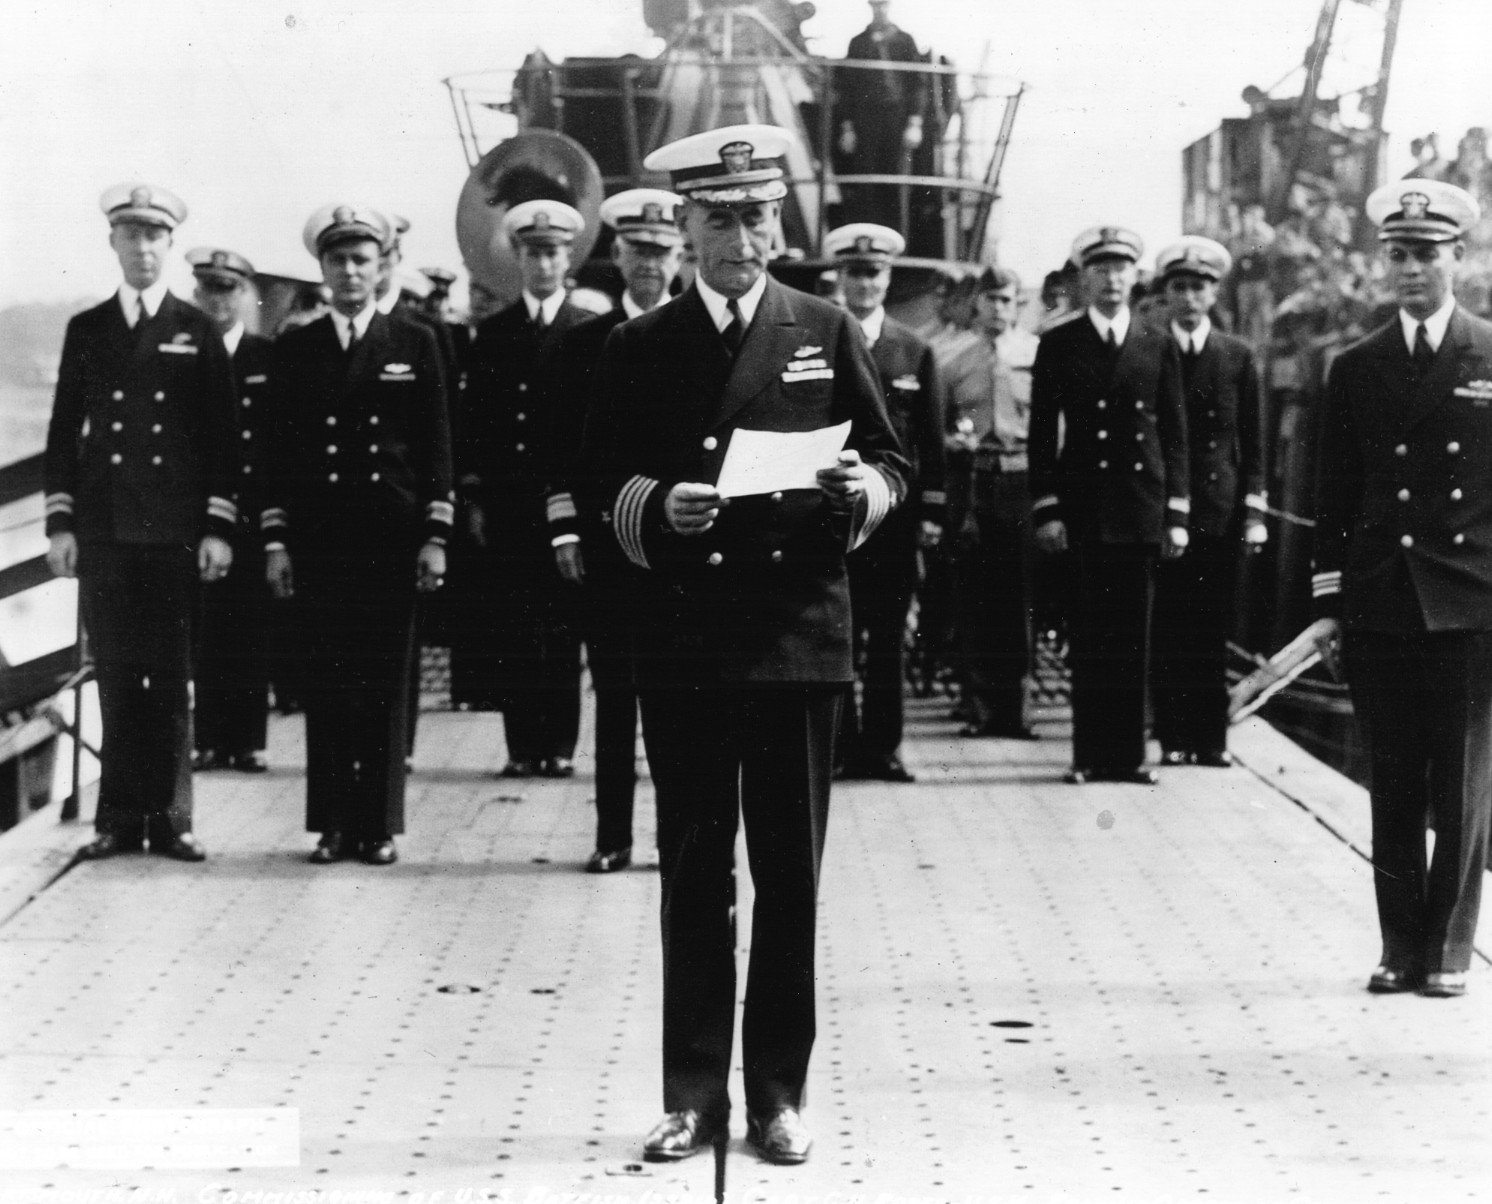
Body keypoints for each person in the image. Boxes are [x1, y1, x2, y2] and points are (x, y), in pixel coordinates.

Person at [580, 124, 906, 1166]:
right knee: (692, 874)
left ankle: (775, 1095)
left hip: (797, 641)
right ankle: (690, 1097)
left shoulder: (821, 326)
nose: (744, 235)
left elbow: (893, 457)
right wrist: (654, 506)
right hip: (686, 646)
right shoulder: (637, 346)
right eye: (720, 217)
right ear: (683, 226)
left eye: (760, 214)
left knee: (789, 879)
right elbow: (599, 486)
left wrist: (867, 492)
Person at [1312, 180, 1492, 999]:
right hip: (1383, 597)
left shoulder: (1489, 355)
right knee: (1393, 780)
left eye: (1426, 254)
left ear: (1459, 257)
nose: (1411, 269)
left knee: (1460, 785)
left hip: (1466, 600)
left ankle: (1449, 950)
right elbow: (1334, 501)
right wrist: (1327, 606)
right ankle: (1396, 946)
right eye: (1398, 255)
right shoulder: (1355, 367)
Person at [44, 183, 238, 861]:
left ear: (169, 245)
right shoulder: (88, 330)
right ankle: (118, 820)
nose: (143, 248)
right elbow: (65, 431)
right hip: (105, 532)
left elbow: (224, 439)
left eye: (154, 237)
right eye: (131, 236)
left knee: (171, 674)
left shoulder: (197, 330)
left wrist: (218, 527)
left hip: (176, 533)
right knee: (119, 675)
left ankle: (173, 818)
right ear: (114, 244)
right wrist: (60, 524)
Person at [260, 204, 454, 866]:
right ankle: (332, 825)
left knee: (382, 685)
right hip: (321, 540)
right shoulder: (297, 349)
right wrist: (277, 541)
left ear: (381, 267)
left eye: (361, 260)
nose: (349, 271)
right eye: (338, 260)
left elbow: (437, 450)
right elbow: (278, 459)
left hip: (390, 539)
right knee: (328, 684)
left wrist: (435, 534)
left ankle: (377, 826)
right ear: (323, 270)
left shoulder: (415, 342)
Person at [540, 188, 687, 872]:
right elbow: (560, 446)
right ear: (617, 255)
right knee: (615, 696)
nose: (648, 265)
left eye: (661, 252)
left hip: (686, 546)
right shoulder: (583, 344)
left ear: (679, 255)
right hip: (607, 543)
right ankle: (612, 836)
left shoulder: (700, 337)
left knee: (680, 698)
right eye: (637, 251)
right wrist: (565, 530)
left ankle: (677, 835)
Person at [1028, 225, 1190, 785]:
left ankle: (1128, 758)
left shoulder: (1156, 341)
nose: (1112, 279)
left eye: (1121, 269)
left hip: (1141, 509)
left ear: (1134, 276)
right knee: (1091, 636)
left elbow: (1174, 434)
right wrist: (1047, 508)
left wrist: (1178, 513)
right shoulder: (1060, 342)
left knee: (1136, 636)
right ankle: (1088, 756)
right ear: (1084, 278)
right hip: (1085, 508)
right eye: (1100, 270)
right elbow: (1042, 434)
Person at [459, 200, 589, 777]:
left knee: (561, 624)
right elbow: (477, 421)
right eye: (533, 253)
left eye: (552, 253)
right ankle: (520, 747)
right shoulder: (493, 332)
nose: (543, 264)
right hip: (511, 500)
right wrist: (476, 496)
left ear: (568, 257)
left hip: (564, 501)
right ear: (518, 258)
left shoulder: (587, 330)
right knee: (513, 622)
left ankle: (557, 747)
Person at [824, 222, 943, 781]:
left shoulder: (913, 350)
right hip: (837, 516)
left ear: (888, 278)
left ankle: (885, 749)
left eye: (873, 274)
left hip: (894, 518)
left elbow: (930, 438)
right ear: (839, 277)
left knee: (888, 639)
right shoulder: (819, 338)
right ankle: (840, 746)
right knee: (838, 636)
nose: (864, 283)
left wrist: (934, 513)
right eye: (854, 273)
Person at [1150, 237, 1267, 768]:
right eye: (1180, 288)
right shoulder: (1149, 348)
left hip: (1219, 510)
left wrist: (1256, 512)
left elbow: (1253, 439)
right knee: (1170, 624)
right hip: (1164, 509)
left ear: (1213, 293)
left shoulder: (1237, 356)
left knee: (1213, 626)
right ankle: (1173, 736)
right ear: (1166, 294)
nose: (1190, 298)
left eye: (1199, 288)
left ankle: (1211, 741)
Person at [940, 265, 1042, 738]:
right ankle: (979, 709)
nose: (998, 308)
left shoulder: (1036, 354)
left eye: (1007, 299)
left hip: (1021, 479)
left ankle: (1016, 711)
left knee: (1021, 598)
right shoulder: (949, 356)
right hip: (971, 480)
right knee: (975, 598)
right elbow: (935, 425)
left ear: (1017, 303)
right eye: (990, 299)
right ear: (976, 303)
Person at [185, 246, 274, 775]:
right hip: (201, 511)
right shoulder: (187, 351)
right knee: (205, 627)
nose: (218, 299)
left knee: (251, 624)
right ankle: (210, 740)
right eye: (209, 289)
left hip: (255, 510)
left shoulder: (267, 357)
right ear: (198, 294)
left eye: (229, 288)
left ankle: (248, 741)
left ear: (245, 294)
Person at [837, 0, 927, 228]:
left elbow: (917, 84)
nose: (880, 9)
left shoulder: (905, 41)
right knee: (865, 178)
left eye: (883, 5)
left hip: (896, 118)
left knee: (895, 177)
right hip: (865, 118)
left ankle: (895, 237)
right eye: (876, 5)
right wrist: (847, 128)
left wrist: (914, 123)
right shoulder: (857, 43)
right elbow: (847, 87)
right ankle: (867, 238)